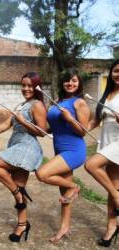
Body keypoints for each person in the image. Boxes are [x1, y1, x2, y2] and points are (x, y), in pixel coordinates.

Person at [0, 72, 47, 242]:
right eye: (23, 85)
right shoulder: (21, 104)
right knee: (20, 187)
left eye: (30, 85)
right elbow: (6, 125)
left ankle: (18, 194)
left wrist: (23, 121)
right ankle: (22, 224)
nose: (26, 88)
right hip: (16, 144)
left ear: (36, 87)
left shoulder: (37, 105)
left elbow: (42, 132)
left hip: (27, 146)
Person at [36, 68, 90, 243]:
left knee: (42, 173)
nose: (70, 83)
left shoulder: (79, 103)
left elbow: (83, 132)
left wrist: (70, 119)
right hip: (60, 149)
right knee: (65, 192)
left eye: (74, 80)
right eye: (67, 80)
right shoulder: (57, 101)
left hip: (74, 150)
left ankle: (75, 187)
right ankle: (64, 228)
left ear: (79, 83)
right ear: (62, 83)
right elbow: (52, 128)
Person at [84, 59, 119, 247]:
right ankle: (111, 227)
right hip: (108, 142)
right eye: (115, 71)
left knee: (91, 165)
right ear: (111, 73)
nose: (118, 74)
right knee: (112, 188)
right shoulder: (107, 95)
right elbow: (96, 121)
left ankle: (117, 196)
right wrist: (82, 129)